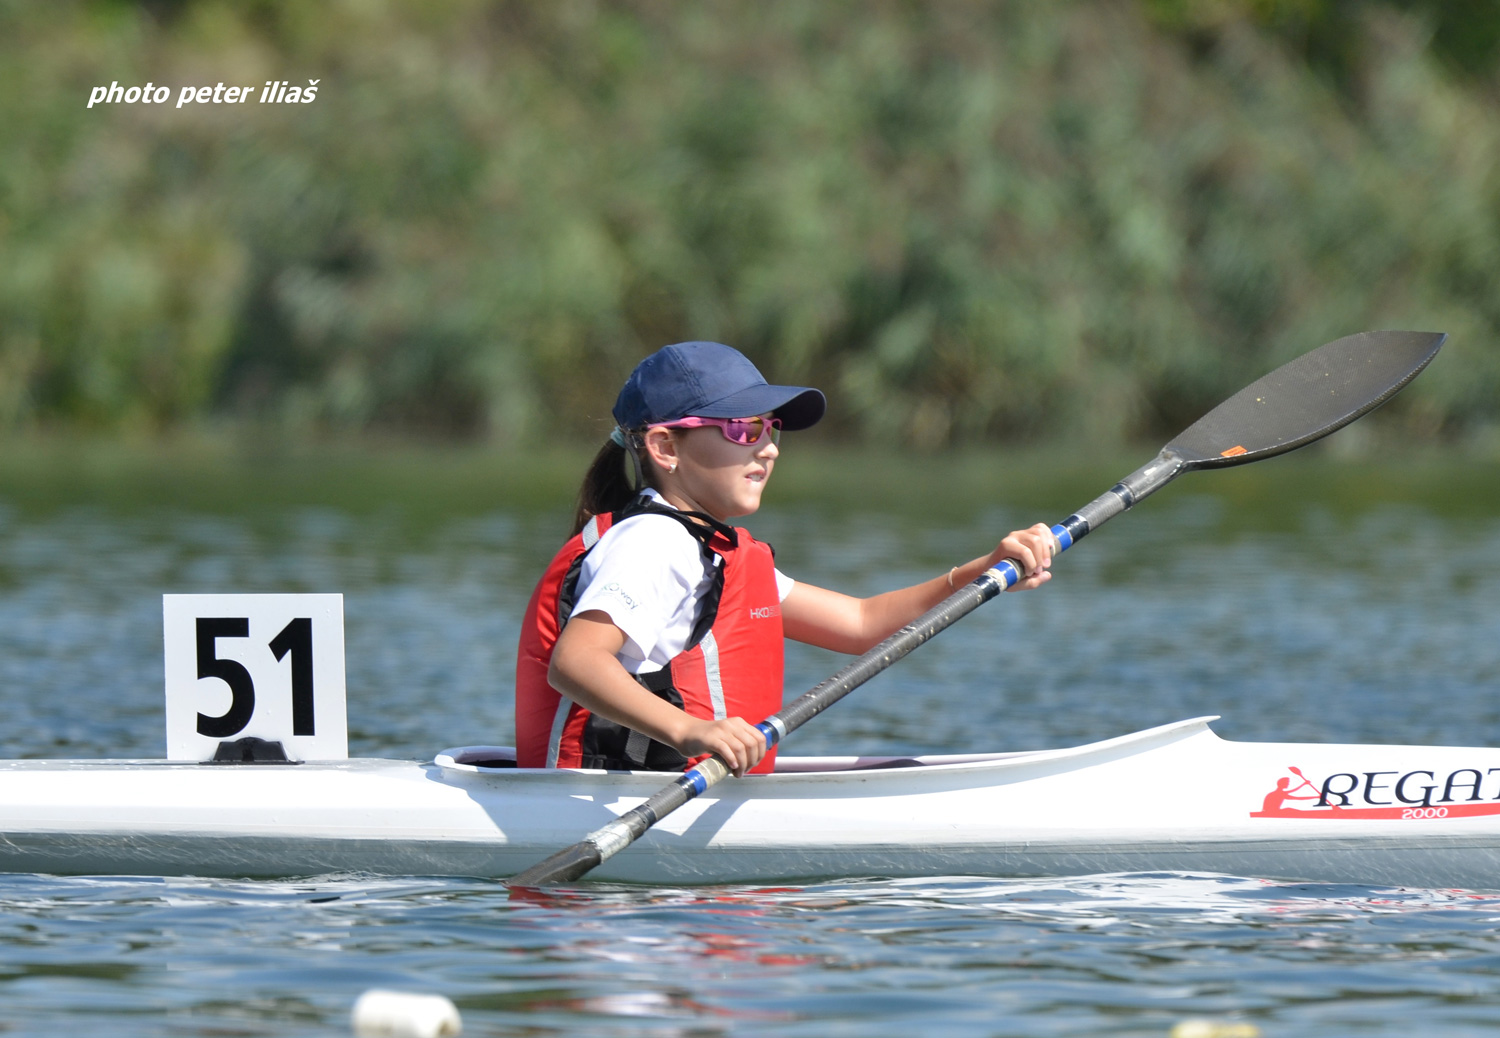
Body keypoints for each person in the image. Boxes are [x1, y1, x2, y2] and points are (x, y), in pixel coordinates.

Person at [514, 341, 1055, 776]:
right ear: (665, 448)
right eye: (742, 429)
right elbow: (577, 662)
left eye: (769, 429)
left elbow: (861, 624)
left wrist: (980, 571)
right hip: (604, 805)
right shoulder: (653, 542)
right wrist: (692, 732)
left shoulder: (712, 551)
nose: (768, 447)